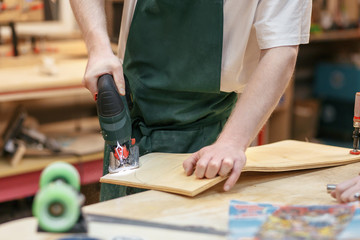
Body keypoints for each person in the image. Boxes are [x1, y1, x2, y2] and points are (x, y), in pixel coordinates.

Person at [70, 0, 312, 201]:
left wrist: (232, 143)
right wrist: (97, 45)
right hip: (128, 125)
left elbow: (281, 50)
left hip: (205, 142)